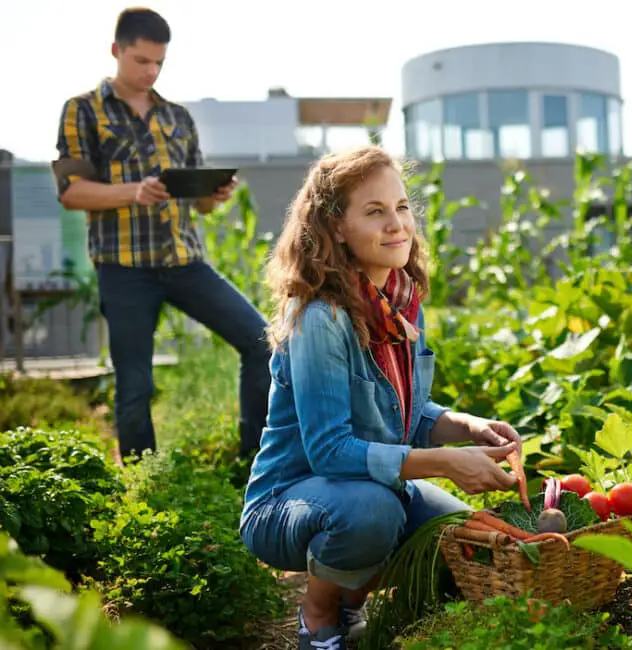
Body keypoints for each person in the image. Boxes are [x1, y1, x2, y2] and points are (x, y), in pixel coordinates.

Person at [238, 145, 523, 650]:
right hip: (290, 500)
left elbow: (408, 415)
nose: (397, 225)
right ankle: (319, 617)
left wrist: (469, 427)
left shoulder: (402, 302)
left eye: (402, 207)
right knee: (374, 511)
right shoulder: (320, 318)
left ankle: (350, 603)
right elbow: (330, 451)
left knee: (458, 537)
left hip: (370, 487)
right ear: (335, 228)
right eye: (374, 212)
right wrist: (447, 464)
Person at [51, 7, 270, 461]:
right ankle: (140, 484)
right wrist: (135, 192)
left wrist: (214, 194)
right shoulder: (82, 111)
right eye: (141, 61)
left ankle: (255, 462)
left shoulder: (177, 118)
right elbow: (72, 192)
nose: (150, 71)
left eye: (158, 63)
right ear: (117, 51)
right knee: (135, 386)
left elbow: (200, 204)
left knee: (263, 342)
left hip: (185, 262)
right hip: (124, 268)